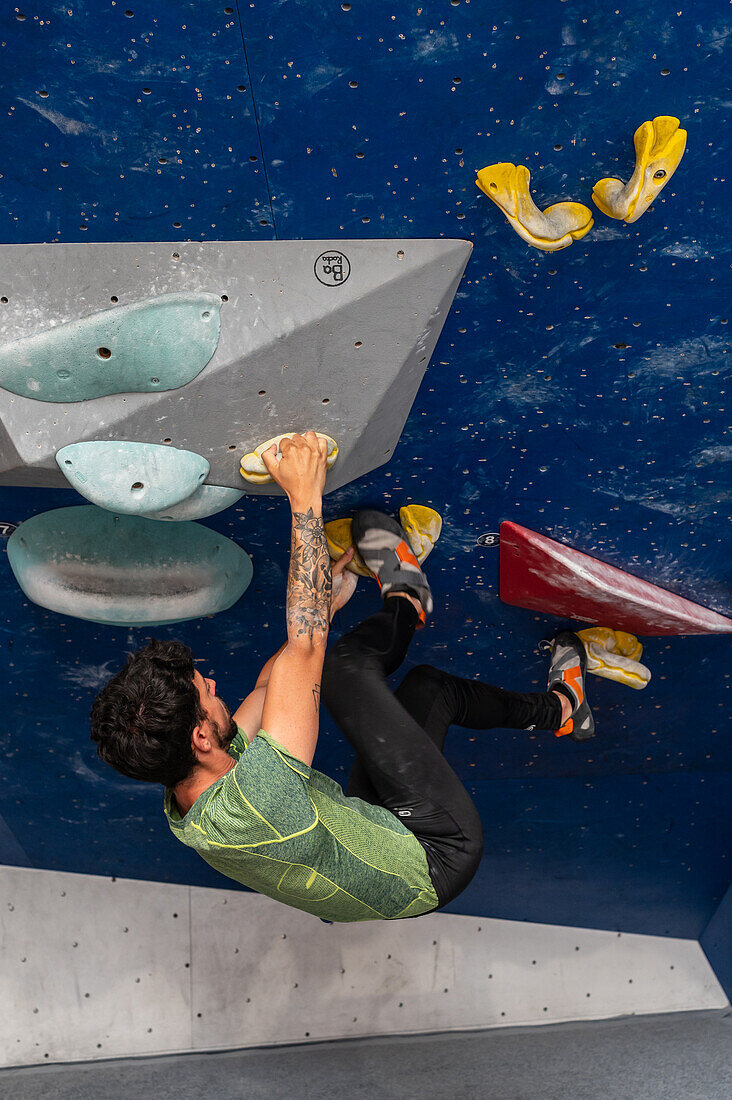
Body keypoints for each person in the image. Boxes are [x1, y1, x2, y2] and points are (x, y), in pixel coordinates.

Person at [90, 431, 594, 922]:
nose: (216, 686)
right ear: (200, 736)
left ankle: (559, 710)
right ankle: (417, 605)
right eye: (207, 692)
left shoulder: (186, 781)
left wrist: (322, 599)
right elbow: (307, 650)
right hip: (434, 857)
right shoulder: (258, 803)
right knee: (340, 668)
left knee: (428, 689)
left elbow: (273, 684)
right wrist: (304, 494)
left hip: (362, 835)